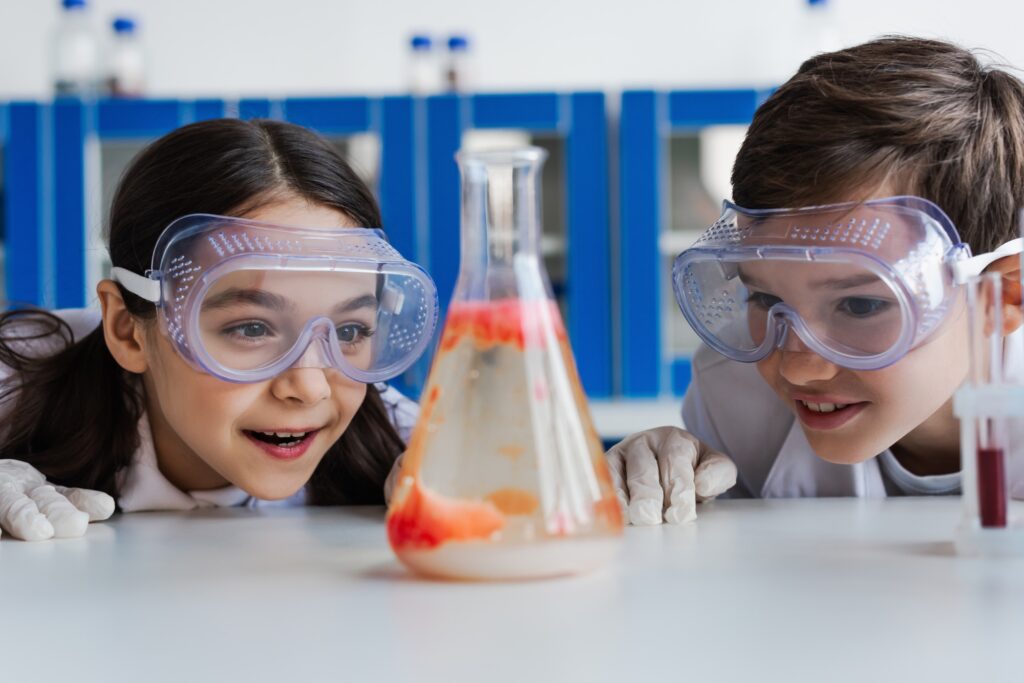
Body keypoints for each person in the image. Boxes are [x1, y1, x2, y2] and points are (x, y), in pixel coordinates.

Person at [607, 36, 1024, 524]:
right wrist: (661, 490)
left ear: (1004, 298)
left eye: (861, 305)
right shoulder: (735, 388)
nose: (798, 369)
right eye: (763, 296)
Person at [0, 118, 436, 541]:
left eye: (347, 332)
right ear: (127, 329)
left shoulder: (387, 431)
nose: (310, 387)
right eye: (251, 328)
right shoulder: (18, 382)